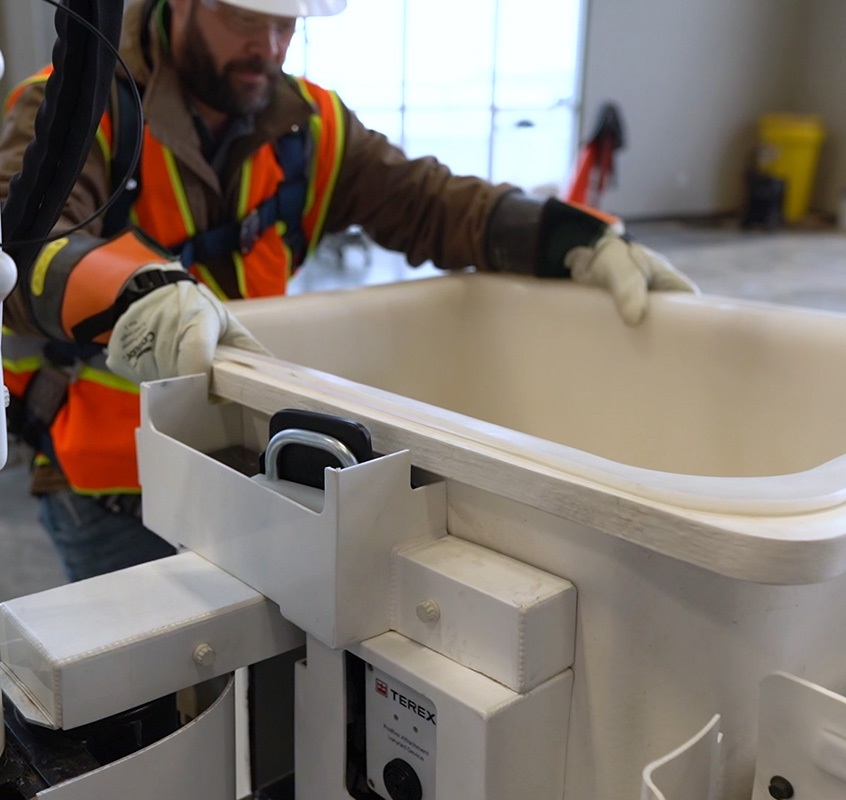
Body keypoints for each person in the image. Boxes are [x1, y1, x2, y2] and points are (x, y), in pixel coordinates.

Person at [0, 0, 698, 582]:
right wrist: (134, 292)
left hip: (250, 467)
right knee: (143, 705)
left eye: (286, 24)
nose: (267, 45)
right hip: (116, 488)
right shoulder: (71, 106)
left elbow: (428, 203)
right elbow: (19, 247)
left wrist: (565, 237)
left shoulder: (310, 128)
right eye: (245, 17)